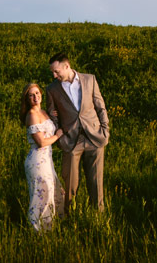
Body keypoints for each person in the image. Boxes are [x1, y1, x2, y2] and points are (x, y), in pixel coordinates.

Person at [46, 52, 109, 213]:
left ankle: (98, 218)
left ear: (67, 66)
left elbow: (100, 106)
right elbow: (52, 116)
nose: (54, 75)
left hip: (94, 137)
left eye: (56, 71)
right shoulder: (52, 89)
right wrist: (59, 137)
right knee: (70, 184)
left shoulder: (90, 79)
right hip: (70, 141)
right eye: (52, 72)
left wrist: (105, 130)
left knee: (96, 183)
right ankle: (69, 218)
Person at [20, 82, 63, 231]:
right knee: (41, 196)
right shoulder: (31, 115)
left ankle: (49, 228)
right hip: (37, 161)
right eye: (31, 95)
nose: (35, 97)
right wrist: (57, 136)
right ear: (27, 99)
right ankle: (36, 230)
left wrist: (54, 116)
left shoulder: (44, 112)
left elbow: (50, 126)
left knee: (51, 192)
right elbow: (41, 142)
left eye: (37, 93)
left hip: (47, 160)